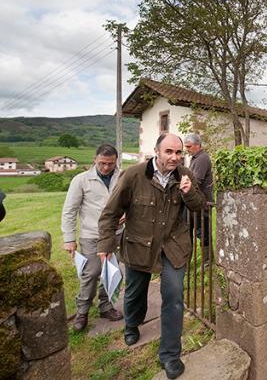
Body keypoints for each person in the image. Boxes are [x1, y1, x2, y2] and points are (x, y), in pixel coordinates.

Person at [97, 133, 205, 380]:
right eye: (169, 152)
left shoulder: (185, 175)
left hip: (173, 245)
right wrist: (105, 244)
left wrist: (189, 194)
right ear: (157, 151)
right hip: (139, 244)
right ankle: (132, 324)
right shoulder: (134, 175)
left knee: (174, 296)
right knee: (135, 291)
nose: (175, 157)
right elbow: (110, 213)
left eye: (179, 153)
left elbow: (198, 206)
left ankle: (170, 355)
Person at [61, 144, 124, 331]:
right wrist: (69, 238)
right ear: (95, 160)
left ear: (116, 161)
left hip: (116, 233)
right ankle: (82, 311)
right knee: (92, 272)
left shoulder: (123, 177)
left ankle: (106, 306)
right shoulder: (81, 180)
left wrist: (127, 213)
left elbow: (131, 201)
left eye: (110, 164)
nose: (106, 167)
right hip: (91, 235)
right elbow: (69, 211)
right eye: (102, 163)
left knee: (111, 270)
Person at [183, 134, 213, 263]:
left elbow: (197, 181)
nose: (187, 149)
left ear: (197, 145)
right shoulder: (196, 158)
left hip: (201, 202)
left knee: (203, 232)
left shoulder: (202, 158)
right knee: (187, 230)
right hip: (193, 201)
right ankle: (185, 260)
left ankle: (208, 261)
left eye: (189, 146)